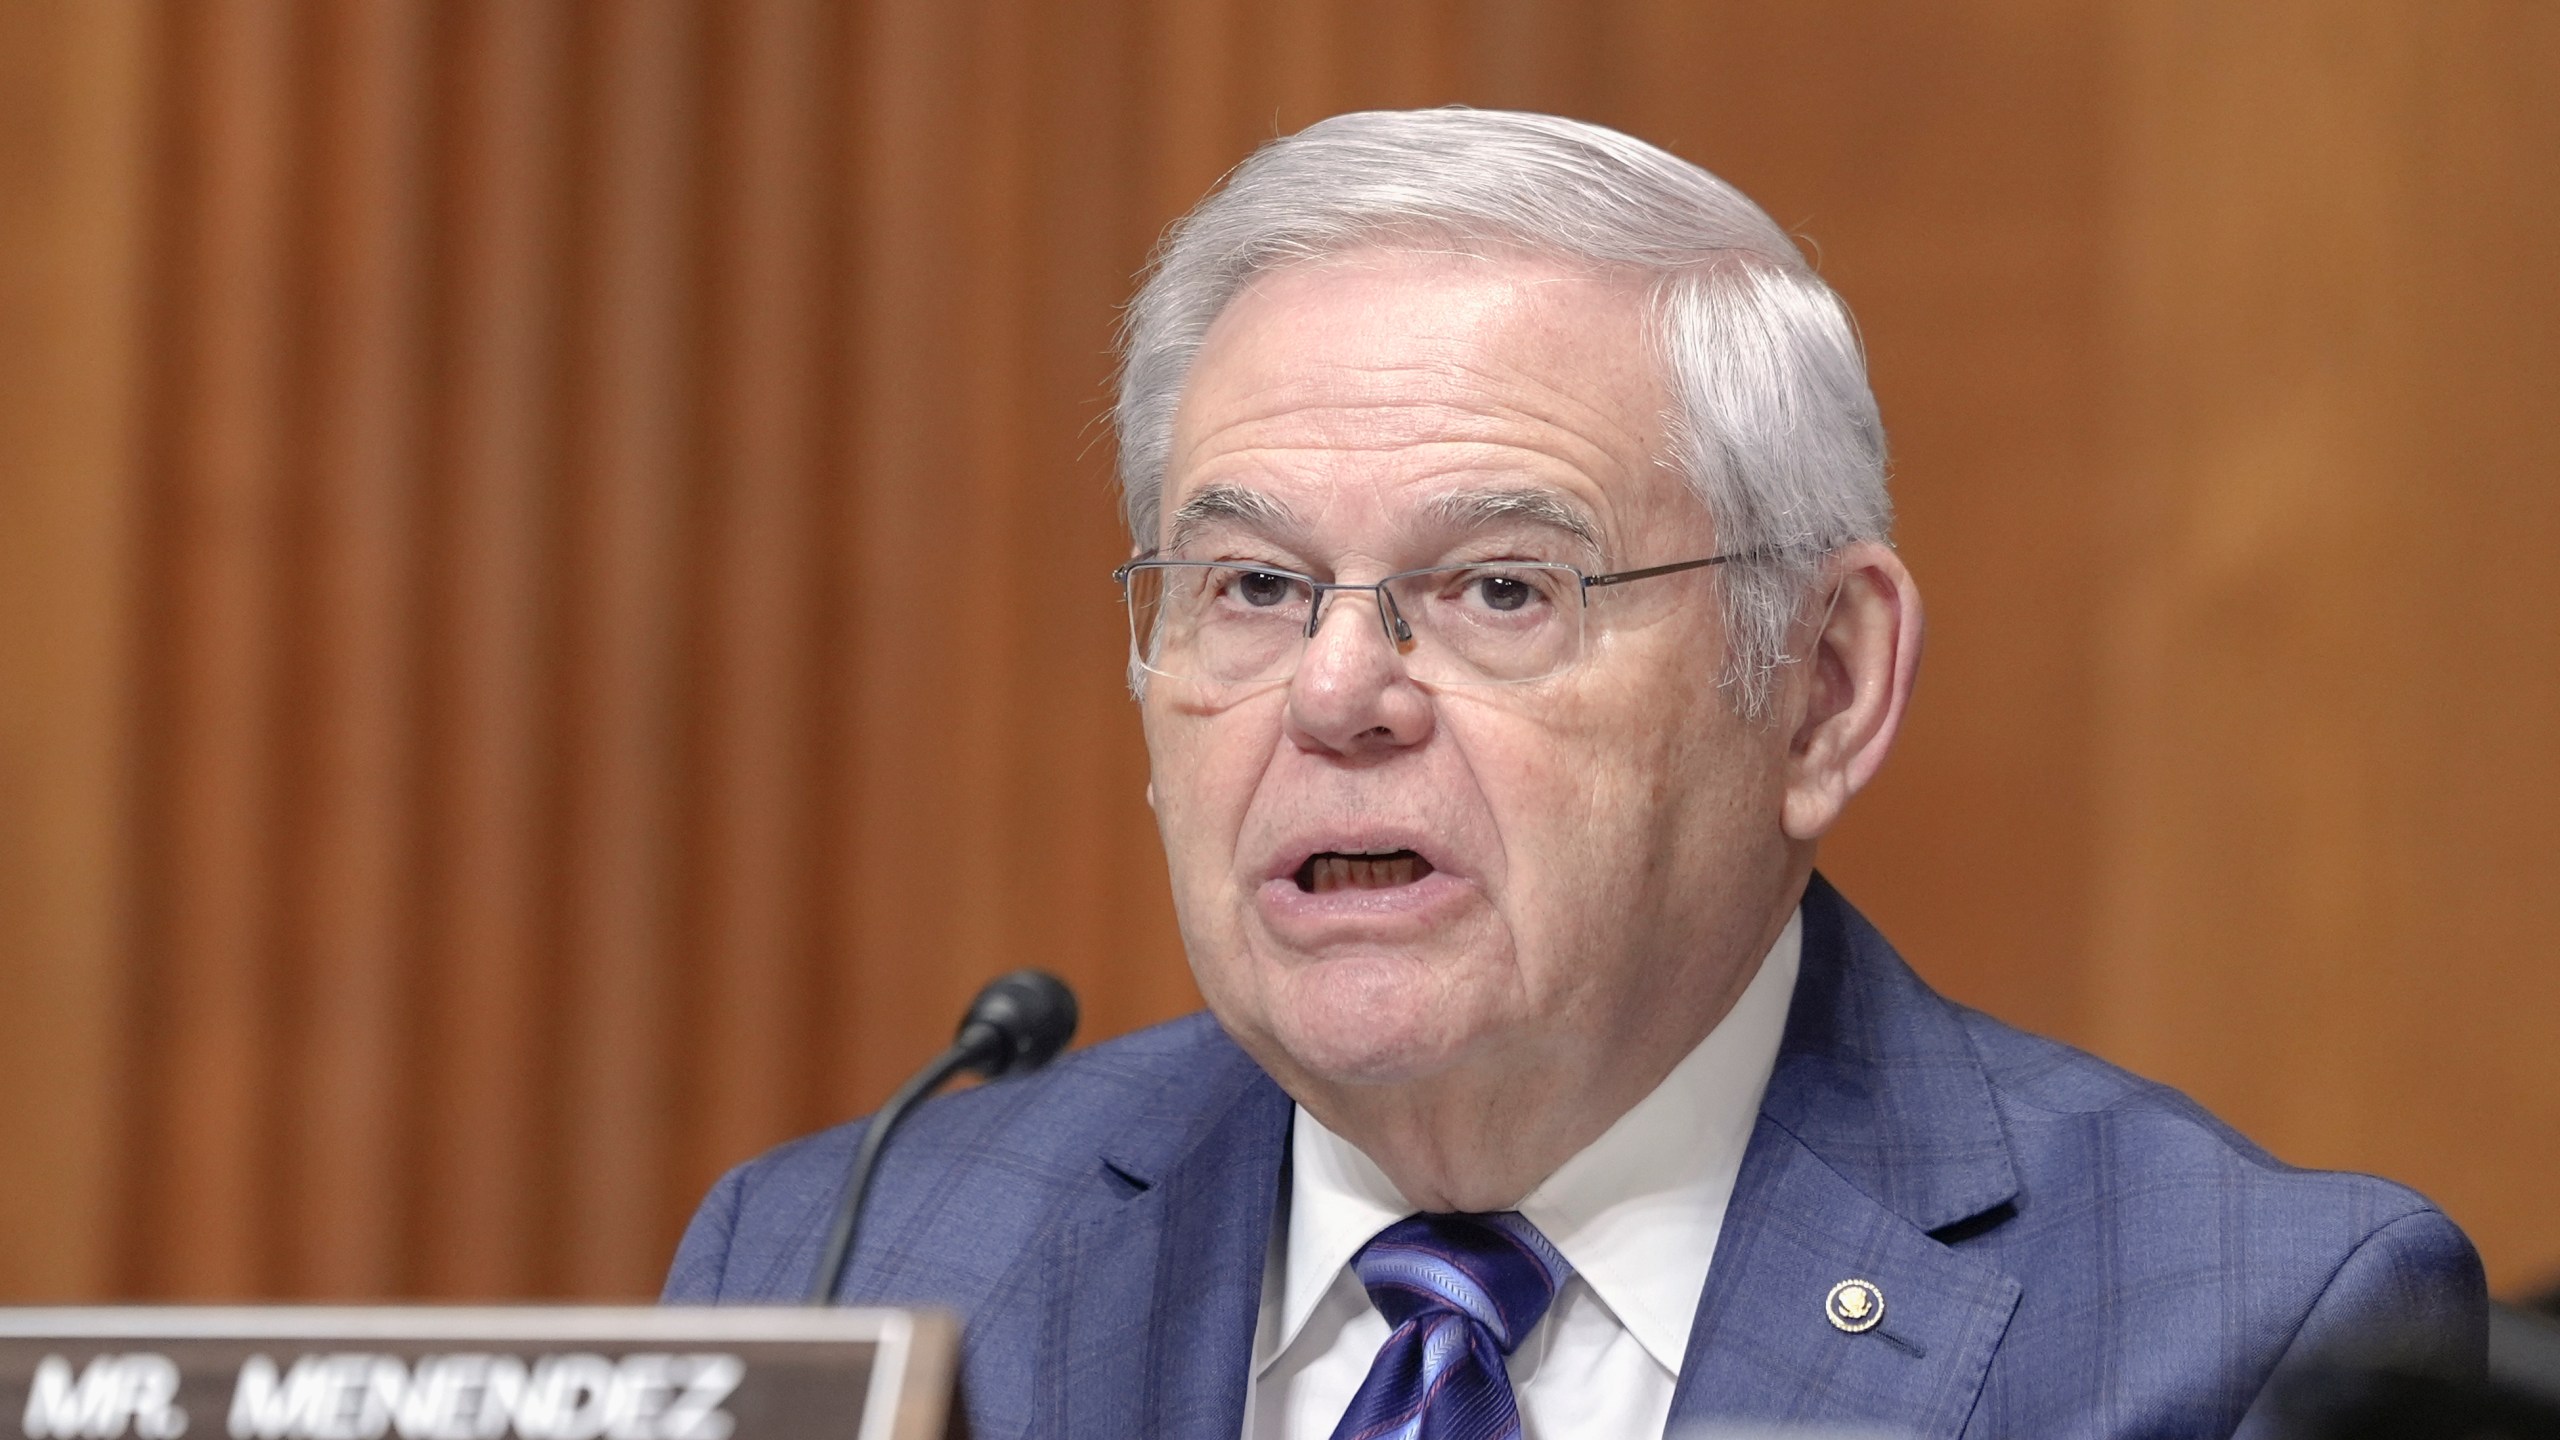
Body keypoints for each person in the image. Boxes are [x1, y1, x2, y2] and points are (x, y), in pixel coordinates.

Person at [664, 109, 2483, 1439]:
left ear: (1825, 688)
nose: (1339, 691)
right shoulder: (852, 1268)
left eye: (1501, 589)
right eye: (1253, 587)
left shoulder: (2242, 1339)